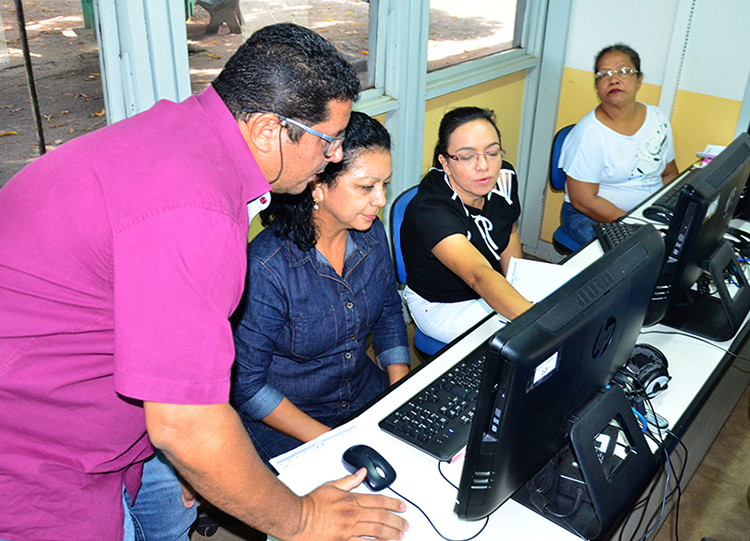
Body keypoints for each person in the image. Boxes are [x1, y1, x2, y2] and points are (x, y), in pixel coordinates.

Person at [0, 23, 408, 541]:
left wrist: (200, 460)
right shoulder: (195, 208)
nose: (332, 157)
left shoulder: (186, 135)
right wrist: (303, 518)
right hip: (36, 453)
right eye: (329, 141)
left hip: (124, 426)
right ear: (267, 130)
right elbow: (185, 426)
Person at [232, 112, 411, 464]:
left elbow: (390, 309)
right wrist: (332, 442)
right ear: (318, 185)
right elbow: (248, 386)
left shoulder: (371, 232)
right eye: (366, 187)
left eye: (384, 185)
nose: (380, 200)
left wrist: (399, 389)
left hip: (362, 392)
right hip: (289, 421)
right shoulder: (266, 269)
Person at [401, 106, 533, 344]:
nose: (483, 166)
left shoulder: (504, 176)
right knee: (521, 341)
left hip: (491, 284)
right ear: (445, 162)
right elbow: (478, 275)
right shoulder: (432, 209)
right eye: (467, 156)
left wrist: (516, 282)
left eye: (492, 153)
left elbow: (509, 229)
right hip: (443, 305)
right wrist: (538, 320)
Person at [559, 43, 679, 245]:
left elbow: (669, 174)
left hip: (648, 215)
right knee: (638, 259)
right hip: (589, 216)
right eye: (603, 74)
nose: (613, 79)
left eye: (623, 71)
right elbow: (584, 202)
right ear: (597, 86)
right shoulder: (589, 133)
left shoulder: (658, 119)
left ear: (638, 80)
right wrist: (638, 229)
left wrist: (672, 213)